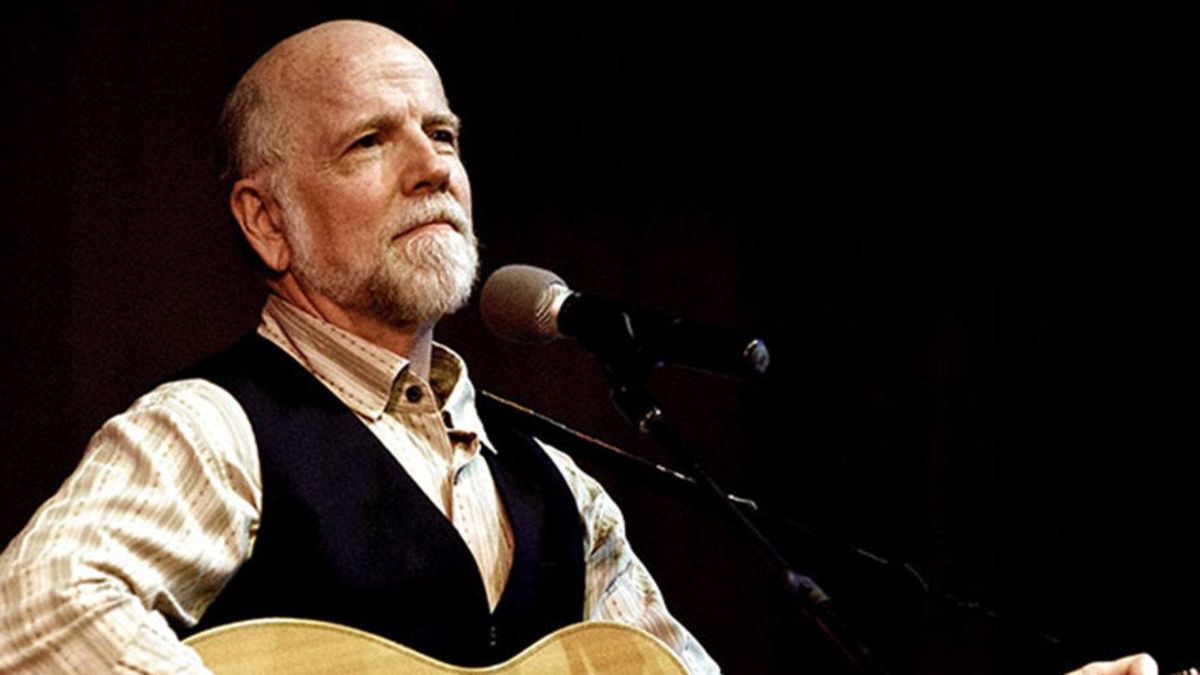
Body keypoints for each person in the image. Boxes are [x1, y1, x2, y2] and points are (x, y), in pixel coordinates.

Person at [0, 20, 718, 674]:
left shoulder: (563, 490)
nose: (432, 167)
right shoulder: (210, 431)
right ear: (266, 220)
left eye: (443, 134)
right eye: (369, 141)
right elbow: (37, 611)